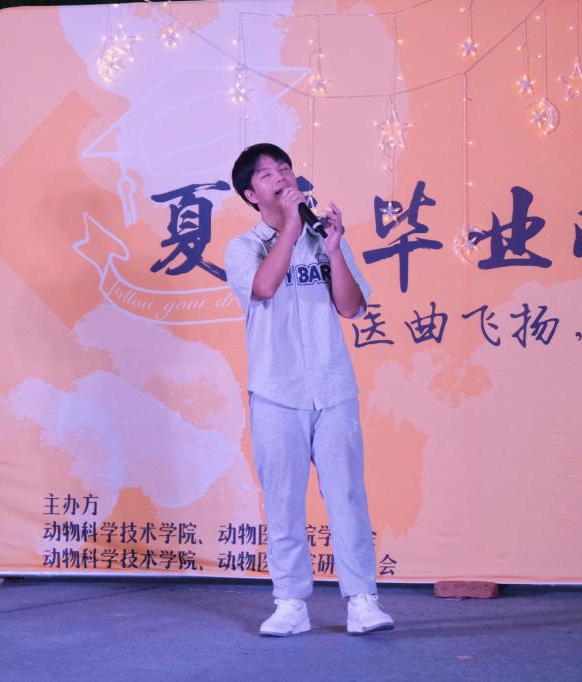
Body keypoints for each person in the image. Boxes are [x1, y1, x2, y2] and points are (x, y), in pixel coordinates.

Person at [224, 143, 394, 636]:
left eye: (284, 167)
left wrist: (334, 248)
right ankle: (291, 604)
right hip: (276, 392)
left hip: (333, 387)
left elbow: (351, 306)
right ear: (250, 194)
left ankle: (362, 600)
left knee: (347, 495)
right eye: (266, 174)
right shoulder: (243, 247)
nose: (280, 176)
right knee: (283, 501)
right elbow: (263, 287)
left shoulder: (324, 238)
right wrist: (291, 229)